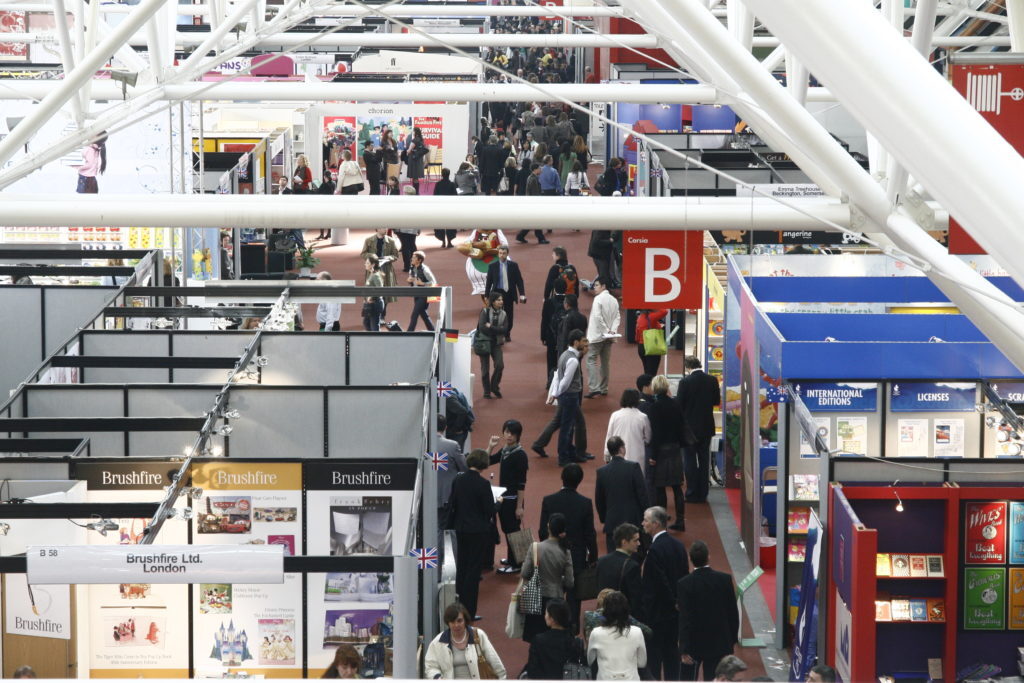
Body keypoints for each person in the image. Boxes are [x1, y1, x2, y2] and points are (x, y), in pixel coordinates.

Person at [539, 464, 598, 631]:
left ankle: (550, 625)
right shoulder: (585, 503)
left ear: (562, 478)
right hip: (576, 556)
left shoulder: (549, 500)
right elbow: (590, 534)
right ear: (579, 481)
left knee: (551, 592)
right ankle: (571, 629)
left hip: (551, 554)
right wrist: (593, 557)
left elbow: (542, 531)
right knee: (573, 597)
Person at [677, 540, 740, 681]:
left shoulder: (684, 584)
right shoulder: (724, 580)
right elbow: (732, 612)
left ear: (690, 559)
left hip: (693, 644)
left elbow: (685, 618)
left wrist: (684, 648)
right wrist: (730, 643)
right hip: (718, 644)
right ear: (708, 557)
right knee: (713, 679)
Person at [640, 506, 689, 682]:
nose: (642, 523)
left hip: (658, 613)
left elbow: (657, 583)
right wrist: (678, 602)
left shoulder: (654, 550)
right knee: (672, 655)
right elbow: (684, 577)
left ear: (655, 524)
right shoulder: (678, 546)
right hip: (674, 614)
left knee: (654, 657)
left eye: (645, 520)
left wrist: (671, 601)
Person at [447, 451, 496, 621]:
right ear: (484, 464)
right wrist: (499, 504)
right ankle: (469, 612)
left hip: (461, 529)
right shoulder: (483, 484)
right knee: (473, 572)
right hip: (478, 532)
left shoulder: (458, 480)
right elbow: (490, 510)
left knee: (462, 568)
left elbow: (453, 503)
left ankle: (458, 607)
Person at [521, 513, 574, 642]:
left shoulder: (536, 547)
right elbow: (570, 582)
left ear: (548, 527)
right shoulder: (565, 551)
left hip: (536, 597)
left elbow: (525, 573)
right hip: (556, 598)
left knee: (535, 636)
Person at [678, 356, 722, 504]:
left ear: (687, 367)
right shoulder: (712, 380)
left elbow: (679, 404)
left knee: (689, 460)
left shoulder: (684, 382)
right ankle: (703, 493)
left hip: (689, 429)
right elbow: (716, 401)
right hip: (706, 426)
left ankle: (691, 493)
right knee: (704, 460)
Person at [424, 602, 507, 679]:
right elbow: (430, 666)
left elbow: (496, 663)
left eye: (459, 621)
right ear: (448, 623)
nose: (456, 625)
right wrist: (438, 678)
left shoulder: (478, 635)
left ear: (465, 620)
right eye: (452, 622)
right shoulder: (438, 642)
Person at [487, 419, 529, 573]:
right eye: (507, 432)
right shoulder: (505, 450)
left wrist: (519, 506)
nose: (509, 435)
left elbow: (521, 484)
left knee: (512, 530)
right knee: (507, 529)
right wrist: (490, 446)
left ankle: (517, 564)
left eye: (513, 433)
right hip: (505, 497)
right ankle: (513, 559)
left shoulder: (520, 455)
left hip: (512, 500)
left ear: (518, 435)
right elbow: (486, 461)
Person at [595, 437, 648, 554]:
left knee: (613, 558)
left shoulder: (601, 472)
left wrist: (604, 518)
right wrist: (646, 516)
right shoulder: (633, 467)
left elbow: (599, 499)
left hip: (612, 523)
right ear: (622, 449)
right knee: (634, 558)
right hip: (633, 521)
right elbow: (642, 494)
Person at [649, 375, 687, 531]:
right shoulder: (675, 404)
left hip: (662, 450)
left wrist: (653, 455)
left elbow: (655, 434)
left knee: (660, 488)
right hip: (675, 449)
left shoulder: (655, 407)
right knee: (677, 487)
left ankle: (662, 522)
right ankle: (680, 520)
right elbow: (681, 427)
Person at [549, 330, 589, 466]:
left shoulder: (564, 355)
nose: (585, 344)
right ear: (576, 342)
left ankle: (571, 453)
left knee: (569, 426)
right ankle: (563, 458)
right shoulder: (573, 360)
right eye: (583, 341)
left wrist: (556, 394)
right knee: (566, 428)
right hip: (570, 396)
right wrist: (558, 393)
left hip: (565, 396)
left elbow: (557, 376)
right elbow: (565, 381)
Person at [586, 591, 647, 681]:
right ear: (626, 610)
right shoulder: (637, 632)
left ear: (605, 611)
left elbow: (590, 660)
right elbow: (642, 663)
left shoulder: (596, 633)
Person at [596, 523, 643, 618]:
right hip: (623, 618)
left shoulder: (601, 561)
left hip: (604, 615)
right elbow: (636, 600)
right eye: (636, 540)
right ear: (624, 542)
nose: (639, 543)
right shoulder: (632, 566)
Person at [585, 278, 621, 399]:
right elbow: (617, 317)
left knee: (591, 360)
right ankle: (604, 388)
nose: (594, 287)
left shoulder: (598, 299)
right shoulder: (614, 300)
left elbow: (597, 317)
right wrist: (612, 331)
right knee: (605, 363)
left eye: (596, 285)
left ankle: (594, 387)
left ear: (603, 286)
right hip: (609, 337)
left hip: (597, 336)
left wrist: (605, 330)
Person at [435, 414, 467, 550]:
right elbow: (464, 468)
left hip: (430, 498)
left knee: (435, 534)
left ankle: (435, 570)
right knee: (455, 533)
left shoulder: (423, 446)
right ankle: (460, 569)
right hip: (450, 496)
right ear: (445, 427)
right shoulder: (452, 446)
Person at [525, 599, 578, 679]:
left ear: (552, 619)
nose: (545, 616)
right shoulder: (575, 642)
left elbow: (532, 671)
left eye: (546, 613)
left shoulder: (538, 640)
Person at [484, 245, 526, 339]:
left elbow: (519, 280)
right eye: (500, 253)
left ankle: (507, 333)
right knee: (496, 314)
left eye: (504, 253)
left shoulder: (513, 265)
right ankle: (497, 333)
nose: (502, 255)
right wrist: (486, 295)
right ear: (498, 254)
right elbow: (489, 281)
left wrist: (522, 294)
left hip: (509, 293)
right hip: (497, 293)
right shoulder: (492, 266)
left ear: (507, 254)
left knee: (509, 315)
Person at [604, 389, 652, 470]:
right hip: (637, 455)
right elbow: (648, 438)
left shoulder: (615, 415)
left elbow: (609, 436)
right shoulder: (643, 417)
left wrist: (607, 455)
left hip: (617, 455)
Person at [359, 228, 399, 318]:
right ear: (377, 229)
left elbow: (396, 255)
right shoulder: (369, 240)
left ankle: (382, 316)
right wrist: (372, 256)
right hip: (372, 269)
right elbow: (363, 254)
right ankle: (370, 314)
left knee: (385, 294)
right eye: (383, 227)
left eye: (386, 227)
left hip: (386, 269)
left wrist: (388, 258)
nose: (385, 229)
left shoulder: (391, 241)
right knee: (370, 292)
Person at [476, 291, 508, 400]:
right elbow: (482, 327)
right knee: (485, 370)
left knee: (500, 365)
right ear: (493, 302)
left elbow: (505, 329)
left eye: (502, 300)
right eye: (499, 300)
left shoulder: (504, 314)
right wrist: (497, 330)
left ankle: (494, 386)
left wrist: (492, 328)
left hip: (496, 343)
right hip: (484, 343)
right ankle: (486, 391)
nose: (501, 301)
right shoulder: (484, 311)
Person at [458, 228, 507, 298]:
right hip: (479, 258)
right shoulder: (476, 231)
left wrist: (498, 248)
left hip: (495, 255)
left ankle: (498, 298)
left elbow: (505, 244)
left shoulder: (497, 231)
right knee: (479, 280)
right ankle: (487, 300)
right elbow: (468, 241)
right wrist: (471, 245)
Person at [407, 250, 437, 331]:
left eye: (414, 258)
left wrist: (423, 283)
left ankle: (409, 333)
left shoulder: (425, 270)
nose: (411, 259)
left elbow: (434, 282)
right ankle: (432, 330)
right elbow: (412, 281)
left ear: (419, 260)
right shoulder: (412, 268)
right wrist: (410, 281)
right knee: (423, 314)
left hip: (425, 295)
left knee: (414, 315)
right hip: (416, 294)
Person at [635, 309, 668, 376]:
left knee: (647, 371)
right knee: (652, 372)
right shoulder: (651, 317)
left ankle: (646, 385)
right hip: (651, 346)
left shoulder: (640, 317)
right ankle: (650, 385)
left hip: (641, 347)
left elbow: (637, 336)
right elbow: (664, 311)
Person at [432, 168, 458, 248]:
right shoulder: (452, 184)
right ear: (449, 174)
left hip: (440, 207)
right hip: (450, 207)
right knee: (450, 224)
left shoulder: (438, 184)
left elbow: (435, 195)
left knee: (440, 224)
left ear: (442, 174)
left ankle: (443, 241)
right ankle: (449, 242)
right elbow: (455, 196)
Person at [361, 255, 384, 331]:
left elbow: (380, 290)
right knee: (366, 323)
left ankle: (376, 341)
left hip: (375, 304)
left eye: (367, 263)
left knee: (374, 327)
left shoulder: (376, 276)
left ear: (373, 264)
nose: (365, 264)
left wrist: (371, 296)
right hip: (371, 303)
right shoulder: (372, 274)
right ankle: (372, 340)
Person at [405, 126, 427, 193]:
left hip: (414, 160)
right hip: (419, 160)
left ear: (415, 132)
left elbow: (409, 151)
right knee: (416, 177)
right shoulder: (421, 139)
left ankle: (415, 192)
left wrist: (407, 152)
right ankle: (416, 192)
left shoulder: (414, 140)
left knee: (415, 178)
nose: (412, 132)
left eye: (413, 131)